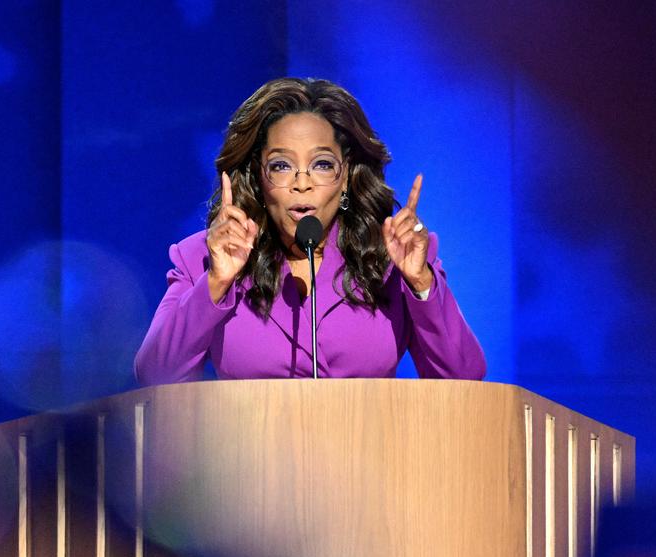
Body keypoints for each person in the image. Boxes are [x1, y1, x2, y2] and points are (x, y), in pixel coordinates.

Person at [134, 77, 486, 383]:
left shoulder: (394, 256)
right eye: (282, 165)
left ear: (346, 176)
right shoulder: (202, 257)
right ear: (259, 177)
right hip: (249, 457)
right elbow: (155, 374)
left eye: (321, 164)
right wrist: (216, 283)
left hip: (371, 455)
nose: (302, 184)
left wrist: (420, 282)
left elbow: (463, 378)